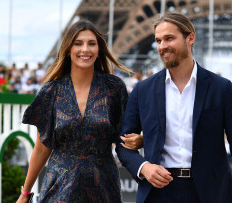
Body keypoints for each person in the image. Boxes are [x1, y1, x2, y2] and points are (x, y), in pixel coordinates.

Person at [116, 12, 232, 203]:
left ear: (190, 37)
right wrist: (145, 168)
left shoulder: (221, 88)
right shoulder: (143, 90)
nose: (162, 46)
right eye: (158, 40)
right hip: (158, 192)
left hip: (210, 193)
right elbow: (122, 144)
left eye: (169, 38)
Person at [17, 20, 141, 203]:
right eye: (78, 43)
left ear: (99, 50)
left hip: (103, 185)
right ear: (68, 49)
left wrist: (140, 140)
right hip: (60, 185)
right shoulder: (51, 91)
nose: (85, 49)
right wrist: (25, 194)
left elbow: (124, 138)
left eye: (92, 43)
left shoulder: (114, 88)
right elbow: (42, 148)